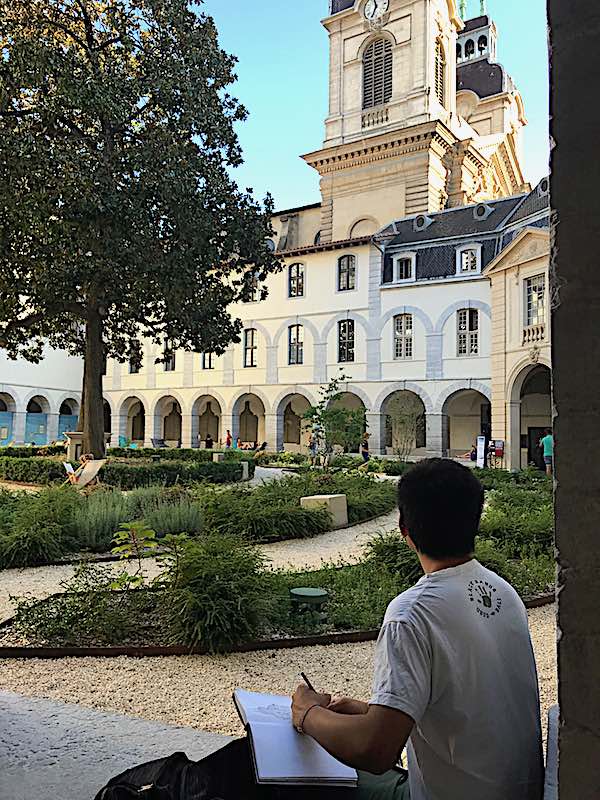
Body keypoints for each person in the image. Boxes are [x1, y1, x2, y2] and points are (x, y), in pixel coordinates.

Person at [292, 458, 544, 800]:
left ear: (403, 529)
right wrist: (371, 711)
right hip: (518, 791)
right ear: (475, 520)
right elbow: (467, 710)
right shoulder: (502, 592)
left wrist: (308, 714)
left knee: (298, 776)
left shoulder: (411, 614)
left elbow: (375, 750)